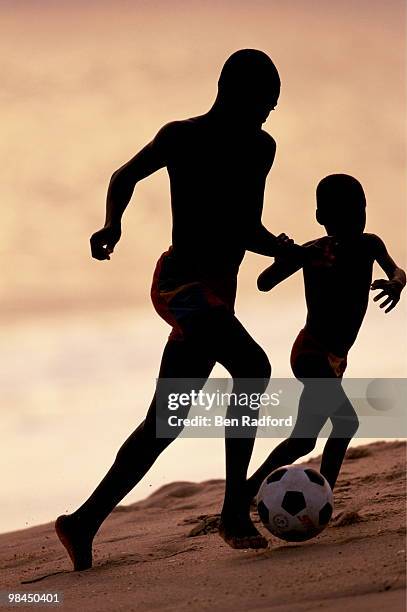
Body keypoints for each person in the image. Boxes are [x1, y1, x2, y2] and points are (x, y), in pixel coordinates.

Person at [55, 49, 309, 571]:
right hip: (182, 287)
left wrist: (279, 248)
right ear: (231, 93)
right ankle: (234, 510)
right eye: (263, 103)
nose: (267, 115)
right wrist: (112, 225)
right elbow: (124, 177)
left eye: (273, 107)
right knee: (254, 368)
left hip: (219, 289)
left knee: (165, 420)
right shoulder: (181, 136)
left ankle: (82, 522)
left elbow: (244, 226)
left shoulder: (261, 148)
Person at [246, 173, 405, 499]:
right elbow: (263, 283)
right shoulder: (312, 252)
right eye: (344, 215)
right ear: (321, 218)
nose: (354, 221)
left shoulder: (369, 244)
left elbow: (397, 270)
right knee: (347, 423)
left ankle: (245, 492)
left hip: (335, 359)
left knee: (303, 440)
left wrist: (397, 284)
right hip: (310, 353)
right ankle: (324, 495)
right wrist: (286, 256)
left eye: (359, 211)